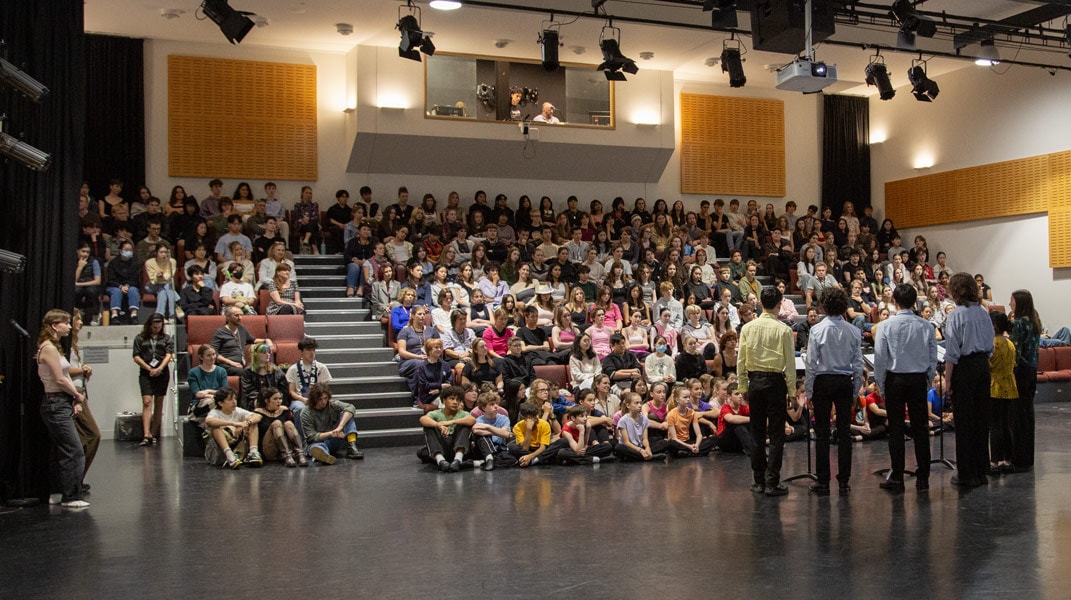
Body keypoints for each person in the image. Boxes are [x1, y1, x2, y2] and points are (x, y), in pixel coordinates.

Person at [873, 284, 937, 493]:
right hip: (918, 379)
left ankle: (897, 476)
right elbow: (932, 357)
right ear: (915, 302)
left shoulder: (885, 326)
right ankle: (923, 477)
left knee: (896, 429)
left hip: (895, 380)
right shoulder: (926, 326)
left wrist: (881, 384)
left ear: (895, 302)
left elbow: (880, 359)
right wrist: (927, 380)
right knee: (921, 429)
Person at [804, 287, 864, 495]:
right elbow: (858, 364)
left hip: (823, 381)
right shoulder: (853, 331)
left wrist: (809, 391)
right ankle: (844, 480)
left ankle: (823, 480)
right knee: (844, 432)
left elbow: (811, 363)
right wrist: (856, 391)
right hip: (844, 382)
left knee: (822, 432)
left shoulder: (817, 330)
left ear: (823, 306)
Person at [738, 286, 795, 497]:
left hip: (755, 382)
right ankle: (772, 481)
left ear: (760, 304)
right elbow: (790, 364)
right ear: (779, 304)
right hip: (776, 382)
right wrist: (792, 391)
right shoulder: (784, 330)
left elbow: (741, 360)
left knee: (757, 432)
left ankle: (759, 481)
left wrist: (743, 386)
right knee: (777, 434)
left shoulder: (748, 328)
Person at [943, 272, 994, 489]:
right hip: (982, 366)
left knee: (964, 422)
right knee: (981, 420)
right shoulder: (983, 311)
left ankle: (966, 473)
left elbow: (952, 352)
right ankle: (981, 471)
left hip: (964, 368)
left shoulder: (957, 315)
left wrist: (948, 381)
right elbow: (990, 344)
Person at [36, 310, 89, 508]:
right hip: (55, 403)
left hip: (60, 401)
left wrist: (74, 400)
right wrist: (76, 395)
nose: (69, 326)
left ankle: (58, 492)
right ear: (53, 325)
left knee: (62, 450)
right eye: (65, 323)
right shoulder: (48, 348)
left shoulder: (55, 347)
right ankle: (71, 496)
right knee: (74, 450)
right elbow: (59, 379)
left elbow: (64, 376)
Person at [66, 310, 100, 495]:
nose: (80, 323)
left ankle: (76, 480)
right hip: (74, 394)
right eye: (77, 319)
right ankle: (75, 480)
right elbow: (62, 371)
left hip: (80, 392)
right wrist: (82, 370)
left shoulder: (73, 344)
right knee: (93, 435)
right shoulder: (65, 346)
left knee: (85, 438)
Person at [1008, 289, 1040, 472]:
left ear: (1019, 302)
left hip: (1020, 372)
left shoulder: (1019, 323)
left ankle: (1019, 458)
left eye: (1012, 300)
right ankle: (1028, 457)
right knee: (1028, 413)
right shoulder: (1034, 321)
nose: (1009, 303)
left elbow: (1015, 351)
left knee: (1018, 415)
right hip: (1032, 370)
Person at [132, 313, 173, 447]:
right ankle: (146, 434)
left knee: (159, 401)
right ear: (149, 326)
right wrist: (149, 368)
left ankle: (154, 433)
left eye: (159, 327)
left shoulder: (166, 338)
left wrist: (160, 368)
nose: (157, 329)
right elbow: (136, 356)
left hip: (162, 372)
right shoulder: (140, 338)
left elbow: (168, 355)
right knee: (147, 402)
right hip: (146, 372)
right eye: (154, 327)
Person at [301, 382, 364, 464]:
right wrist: (331, 433)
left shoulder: (333, 404)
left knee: (347, 414)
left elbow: (351, 407)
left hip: (334, 439)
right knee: (316, 447)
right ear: (314, 399)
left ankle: (351, 446)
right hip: (317, 442)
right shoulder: (306, 413)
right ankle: (322, 455)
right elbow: (312, 437)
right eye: (320, 399)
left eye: (325, 398)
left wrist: (340, 426)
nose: (323, 402)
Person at [419, 385, 476, 472]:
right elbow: (423, 419)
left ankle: (458, 460)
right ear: (444, 400)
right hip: (442, 445)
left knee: (465, 425)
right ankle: (441, 461)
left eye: (458, 400)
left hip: (456, 445)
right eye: (452, 399)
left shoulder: (463, 413)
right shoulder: (437, 413)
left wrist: (451, 422)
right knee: (429, 427)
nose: (455, 402)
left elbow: (472, 420)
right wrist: (438, 425)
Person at [988, 310, 1018, 475]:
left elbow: (988, 365)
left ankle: (994, 462)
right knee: (1006, 424)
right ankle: (1008, 460)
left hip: (995, 386)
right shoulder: (1010, 343)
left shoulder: (992, 344)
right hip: (1009, 385)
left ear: (994, 326)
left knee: (995, 425)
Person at [204, 388, 262, 469]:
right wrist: (234, 424)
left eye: (235, 398)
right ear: (221, 403)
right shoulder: (215, 413)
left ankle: (253, 452)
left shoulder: (237, 410)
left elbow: (258, 416)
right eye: (230, 399)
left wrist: (247, 423)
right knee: (215, 427)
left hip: (238, 445)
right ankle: (229, 455)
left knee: (253, 423)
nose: (234, 402)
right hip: (219, 451)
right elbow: (209, 421)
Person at [211, 306, 274, 376]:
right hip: (226, 365)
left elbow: (253, 340)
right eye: (236, 315)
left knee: (262, 369)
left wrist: (267, 340)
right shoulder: (220, 332)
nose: (240, 318)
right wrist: (231, 363)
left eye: (241, 315)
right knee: (246, 373)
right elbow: (214, 352)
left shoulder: (241, 329)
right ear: (228, 317)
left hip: (239, 365)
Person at [286, 338, 333, 429]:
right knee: (300, 409)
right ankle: (302, 437)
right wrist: (303, 399)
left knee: (341, 409)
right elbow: (291, 391)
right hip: (300, 399)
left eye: (313, 350)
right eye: (308, 350)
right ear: (301, 352)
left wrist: (319, 400)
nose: (312, 353)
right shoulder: (293, 369)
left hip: (319, 399)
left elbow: (326, 390)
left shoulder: (322, 367)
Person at [614, 392, 669, 462]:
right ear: (628, 405)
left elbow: (645, 439)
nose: (639, 405)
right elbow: (626, 442)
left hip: (640, 445)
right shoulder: (623, 420)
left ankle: (643, 456)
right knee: (619, 447)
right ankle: (650, 457)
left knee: (663, 442)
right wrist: (640, 450)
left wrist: (647, 448)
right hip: (630, 447)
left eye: (640, 403)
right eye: (636, 403)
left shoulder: (644, 419)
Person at [665, 386, 717, 457]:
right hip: (678, 442)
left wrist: (697, 445)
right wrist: (689, 446)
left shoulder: (692, 413)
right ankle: (695, 452)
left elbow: (699, 434)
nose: (688, 399)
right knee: (671, 443)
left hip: (688, 441)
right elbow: (674, 438)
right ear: (677, 400)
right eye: (685, 397)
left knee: (714, 439)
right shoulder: (671, 415)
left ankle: (688, 452)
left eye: (688, 397)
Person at [187, 344, 228, 428]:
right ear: (201, 357)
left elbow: (225, 391)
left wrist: (208, 391)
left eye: (213, 354)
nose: (212, 357)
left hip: (218, 402)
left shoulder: (221, 371)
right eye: (208, 355)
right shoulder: (193, 372)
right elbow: (198, 394)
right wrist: (214, 395)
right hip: (199, 406)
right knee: (213, 402)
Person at [471, 392, 514, 471]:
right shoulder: (479, 420)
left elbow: (506, 434)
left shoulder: (504, 418)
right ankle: (489, 458)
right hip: (483, 449)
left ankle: (481, 462)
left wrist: (488, 427)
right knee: (481, 436)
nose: (496, 406)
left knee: (512, 460)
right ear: (484, 408)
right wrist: (498, 432)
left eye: (496, 403)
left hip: (498, 448)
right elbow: (475, 430)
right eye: (491, 404)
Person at [240, 343, 289, 411]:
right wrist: (265, 400)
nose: (267, 354)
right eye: (264, 352)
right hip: (254, 401)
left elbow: (283, 390)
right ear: (256, 354)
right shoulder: (248, 372)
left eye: (268, 352)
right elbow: (249, 391)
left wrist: (273, 398)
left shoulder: (276, 370)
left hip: (275, 400)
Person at [509, 401, 558, 467]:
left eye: (536, 415)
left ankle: (535, 459)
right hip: (528, 449)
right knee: (512, 447)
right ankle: (541, 458)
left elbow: (543, 447)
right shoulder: (518, 427)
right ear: (524, 418)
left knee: (562, 442)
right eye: (532, 417)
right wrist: (529, 429)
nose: (536, 419)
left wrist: (530, 456)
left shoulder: (544, 424)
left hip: (541, 448)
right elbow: (525, 448)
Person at [106, 239, 142, 324]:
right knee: (116, 291)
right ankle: (114, 315)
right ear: (121, 251)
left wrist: (127, 285)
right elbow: (111, 279)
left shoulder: (135, 264)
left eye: (130, 250)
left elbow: (135, 279)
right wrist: (120, 286)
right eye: (126, 250)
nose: (129, 252)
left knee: (133, 290)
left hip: (130, 285)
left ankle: (134, 315)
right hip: (115, 286)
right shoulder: (113, 263)